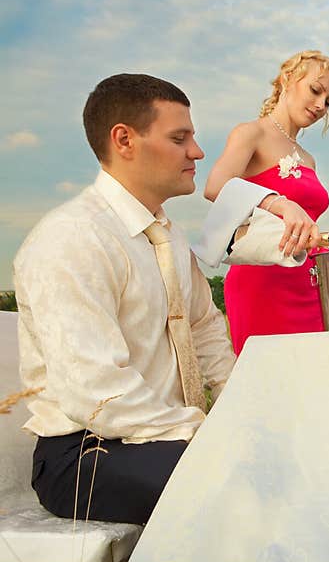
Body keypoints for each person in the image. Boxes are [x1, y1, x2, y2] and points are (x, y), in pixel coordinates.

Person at [13, 74, 237, 525]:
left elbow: (205, 331)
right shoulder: (71, 239)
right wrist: (205, 432)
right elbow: (95, 389)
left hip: (161, 437)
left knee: (281, 463)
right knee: (236, 487)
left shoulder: (168, 237)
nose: (197, 152)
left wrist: (243, 410)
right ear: (125, 140)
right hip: (85, 453)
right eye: (180, 138)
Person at [203, 50, 329, 355]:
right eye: (315, 90)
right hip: (262, 282)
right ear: (287, 79)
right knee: (268, 383)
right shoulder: (251, 133)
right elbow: (215, 187)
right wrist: (280, 204)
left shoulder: (308, 159)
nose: (321, 105)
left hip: (309, 284)